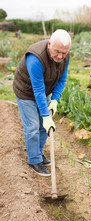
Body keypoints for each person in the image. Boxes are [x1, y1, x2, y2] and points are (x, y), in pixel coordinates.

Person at [13, 29, 71, 176]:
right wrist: (45, 115)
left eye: (64, 53)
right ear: (49, 44)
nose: (60, 56)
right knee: (33, 126)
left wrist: (55, 100)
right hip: (26, 92)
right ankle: (34, 160)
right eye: (57, 51)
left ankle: (38, 153)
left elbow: (62, 79)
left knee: (44, 127)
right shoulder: (35, 58)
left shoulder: (65, 56)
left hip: (43, 91)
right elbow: (37, 89)